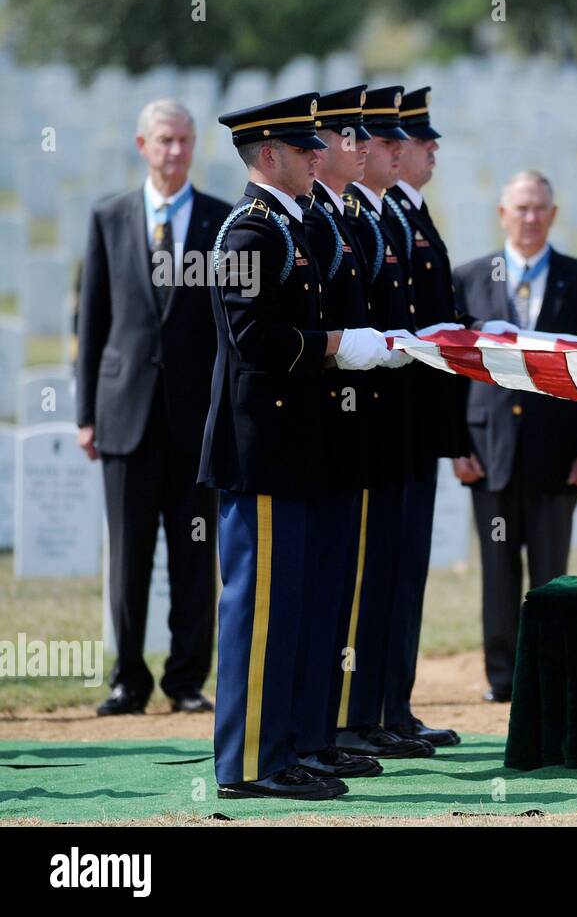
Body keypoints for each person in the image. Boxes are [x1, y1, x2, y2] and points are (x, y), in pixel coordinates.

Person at [202, 92, 392, 799]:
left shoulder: (291, 226)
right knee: (260, 611)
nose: (322, 157)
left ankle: (291, 744)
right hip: (263, 449)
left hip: (294, 446)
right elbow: (253, 341)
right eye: (306, 148)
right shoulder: (250, 233)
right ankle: (249, 761)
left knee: (295, 609)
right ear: (270, 155)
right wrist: (338, 346)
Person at [76, 98, 231, 717]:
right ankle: (127, 680)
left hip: (195, 422)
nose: (175, 151)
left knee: (194, 553)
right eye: (164, 140)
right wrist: (86, 410)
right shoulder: (109, 218)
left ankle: (187, 679)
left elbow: (226, 330)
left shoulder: (221, 223)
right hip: (125, 414)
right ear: (143, 145)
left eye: (185, 140)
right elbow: (93, 320)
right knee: (129, 553)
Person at [452, 170, 577, 703]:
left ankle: (551, 672)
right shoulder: (468, 278)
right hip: (487, 451)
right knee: (498, 573)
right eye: (520, 208)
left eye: (540, 207)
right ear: (502, 214)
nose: (530, 217)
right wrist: (455, 445)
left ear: (554, 213)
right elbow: (451, 369)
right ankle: (502, 678)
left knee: (551, 573)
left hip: (559, 452)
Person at [333, 85, 437, 760]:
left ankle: (384, 706)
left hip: (402, 423)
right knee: (366, 578)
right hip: (366, 427)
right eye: (379, 139)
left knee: (395, 574)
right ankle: (354, 714)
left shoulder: (387, 216)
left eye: (400, 139)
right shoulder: (353, 220)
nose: (394, 150)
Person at [292, 84, 385, 780]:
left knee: (332, 588)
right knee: (314, 588)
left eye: (354, 137)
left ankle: (319, 730)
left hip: (346, 427)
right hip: (317, 427)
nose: (351, 147)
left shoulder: (331, 217)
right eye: (339, 138)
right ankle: (305, 732)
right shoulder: (312, 221)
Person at [382, 85, 464, 747]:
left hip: (416, 428)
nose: (433, 147)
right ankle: (377, 711)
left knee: (405, 572)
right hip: (392, 426)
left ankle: (392, 706)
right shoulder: (385, 218)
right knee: (386, 573)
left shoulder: (411, 213)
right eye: (419, 138)